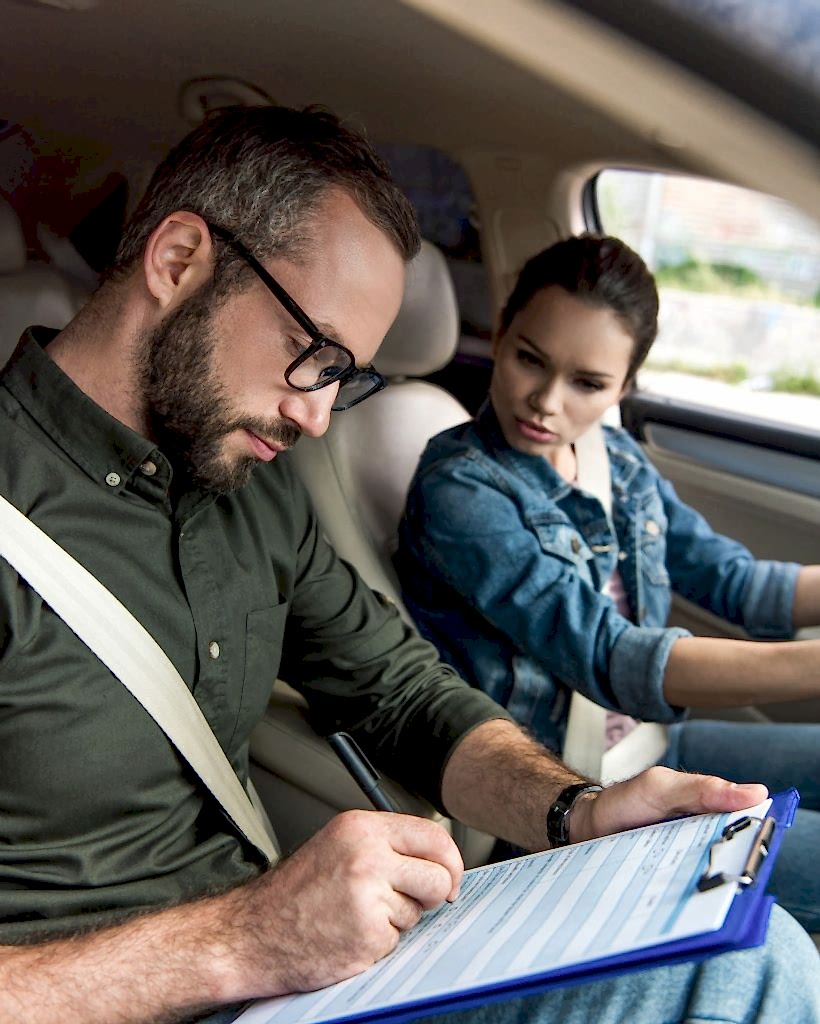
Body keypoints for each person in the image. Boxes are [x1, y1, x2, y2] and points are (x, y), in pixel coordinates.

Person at [0, 111, 816, 1024]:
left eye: (346, 380)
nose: (317, 419)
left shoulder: (249, 488)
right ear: (180, 259)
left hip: (299, 980)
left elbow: (400, 692)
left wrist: (578, 810)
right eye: (314, 357)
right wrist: (244, 939)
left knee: (738, 945)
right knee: (745, 975)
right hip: (173, 982)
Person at [395, 232, 820, 934]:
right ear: (499, 336)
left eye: (587, 383)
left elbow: (733, 580)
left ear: (624, 388)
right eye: (530, 359)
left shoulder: (615, 459)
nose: (545, 401)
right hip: (571, 794)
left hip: (657, 750)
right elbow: (612, 658)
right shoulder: (460, 490)